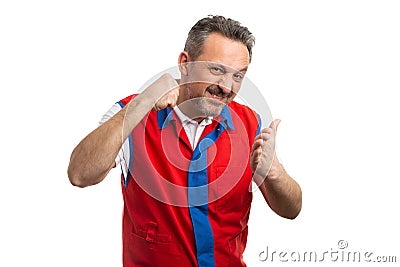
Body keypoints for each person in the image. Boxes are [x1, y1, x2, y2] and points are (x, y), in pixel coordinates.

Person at [68, 15, 302, 267]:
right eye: (217, 70)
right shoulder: (132, 113)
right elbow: (80, 174)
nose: (226, 87)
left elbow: (291, 210)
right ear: (185, 63)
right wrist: (142, 103)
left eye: (238, 76)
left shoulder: (250, 124)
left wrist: (274, 172)